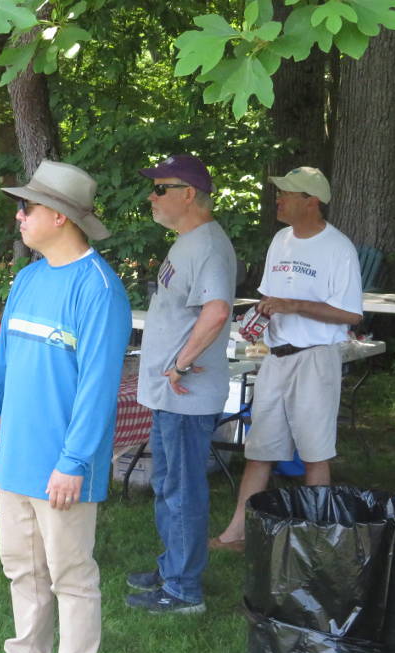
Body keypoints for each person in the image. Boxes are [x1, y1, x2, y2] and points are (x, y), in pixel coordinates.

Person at [0, 161, 131, 653]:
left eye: (27, 207)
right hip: (16, 457)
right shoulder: (30, 278)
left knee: (71, 576)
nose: (19, 215)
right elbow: (2, 358)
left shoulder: (99, 289)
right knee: (22, 567)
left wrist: (74, 461)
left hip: (63, 466)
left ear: (59, 216)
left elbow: (99, 389)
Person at [211, 166, 363, 551]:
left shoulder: (338, 248)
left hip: (314, 360)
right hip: (274, 359)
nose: (277, 200)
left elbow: (351, 315)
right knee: (260, 449)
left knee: (315, 452)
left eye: (287, 194)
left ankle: (316, 539)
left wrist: (294, 305)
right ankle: (237, 533)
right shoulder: (281, 240)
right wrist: (259, 318)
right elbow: (271, 298)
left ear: (311, 201)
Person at [125, 154, 236, 614]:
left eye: (160, 188)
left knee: (183, 489)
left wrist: (181, 365)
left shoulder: (209, 245)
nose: (152, 196)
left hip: (186, 394)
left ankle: (184, 589)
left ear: (188, 194)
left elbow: (217, 310)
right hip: (171, 394)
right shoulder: (188, 242)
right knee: (168, 483)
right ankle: (173, 567)